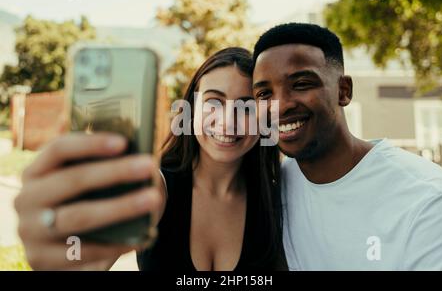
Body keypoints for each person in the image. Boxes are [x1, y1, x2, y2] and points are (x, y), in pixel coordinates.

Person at [15, 47, 285, 271]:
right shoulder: (155, 187)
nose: (228, 122)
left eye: (246, 107)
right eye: (214, 102)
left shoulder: (276, 197)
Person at [251, 23, 442, 270]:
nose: (279, 106)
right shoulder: (275, 190)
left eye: (301, 84)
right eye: (263, 95)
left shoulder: (430, 202)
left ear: (343, 91)